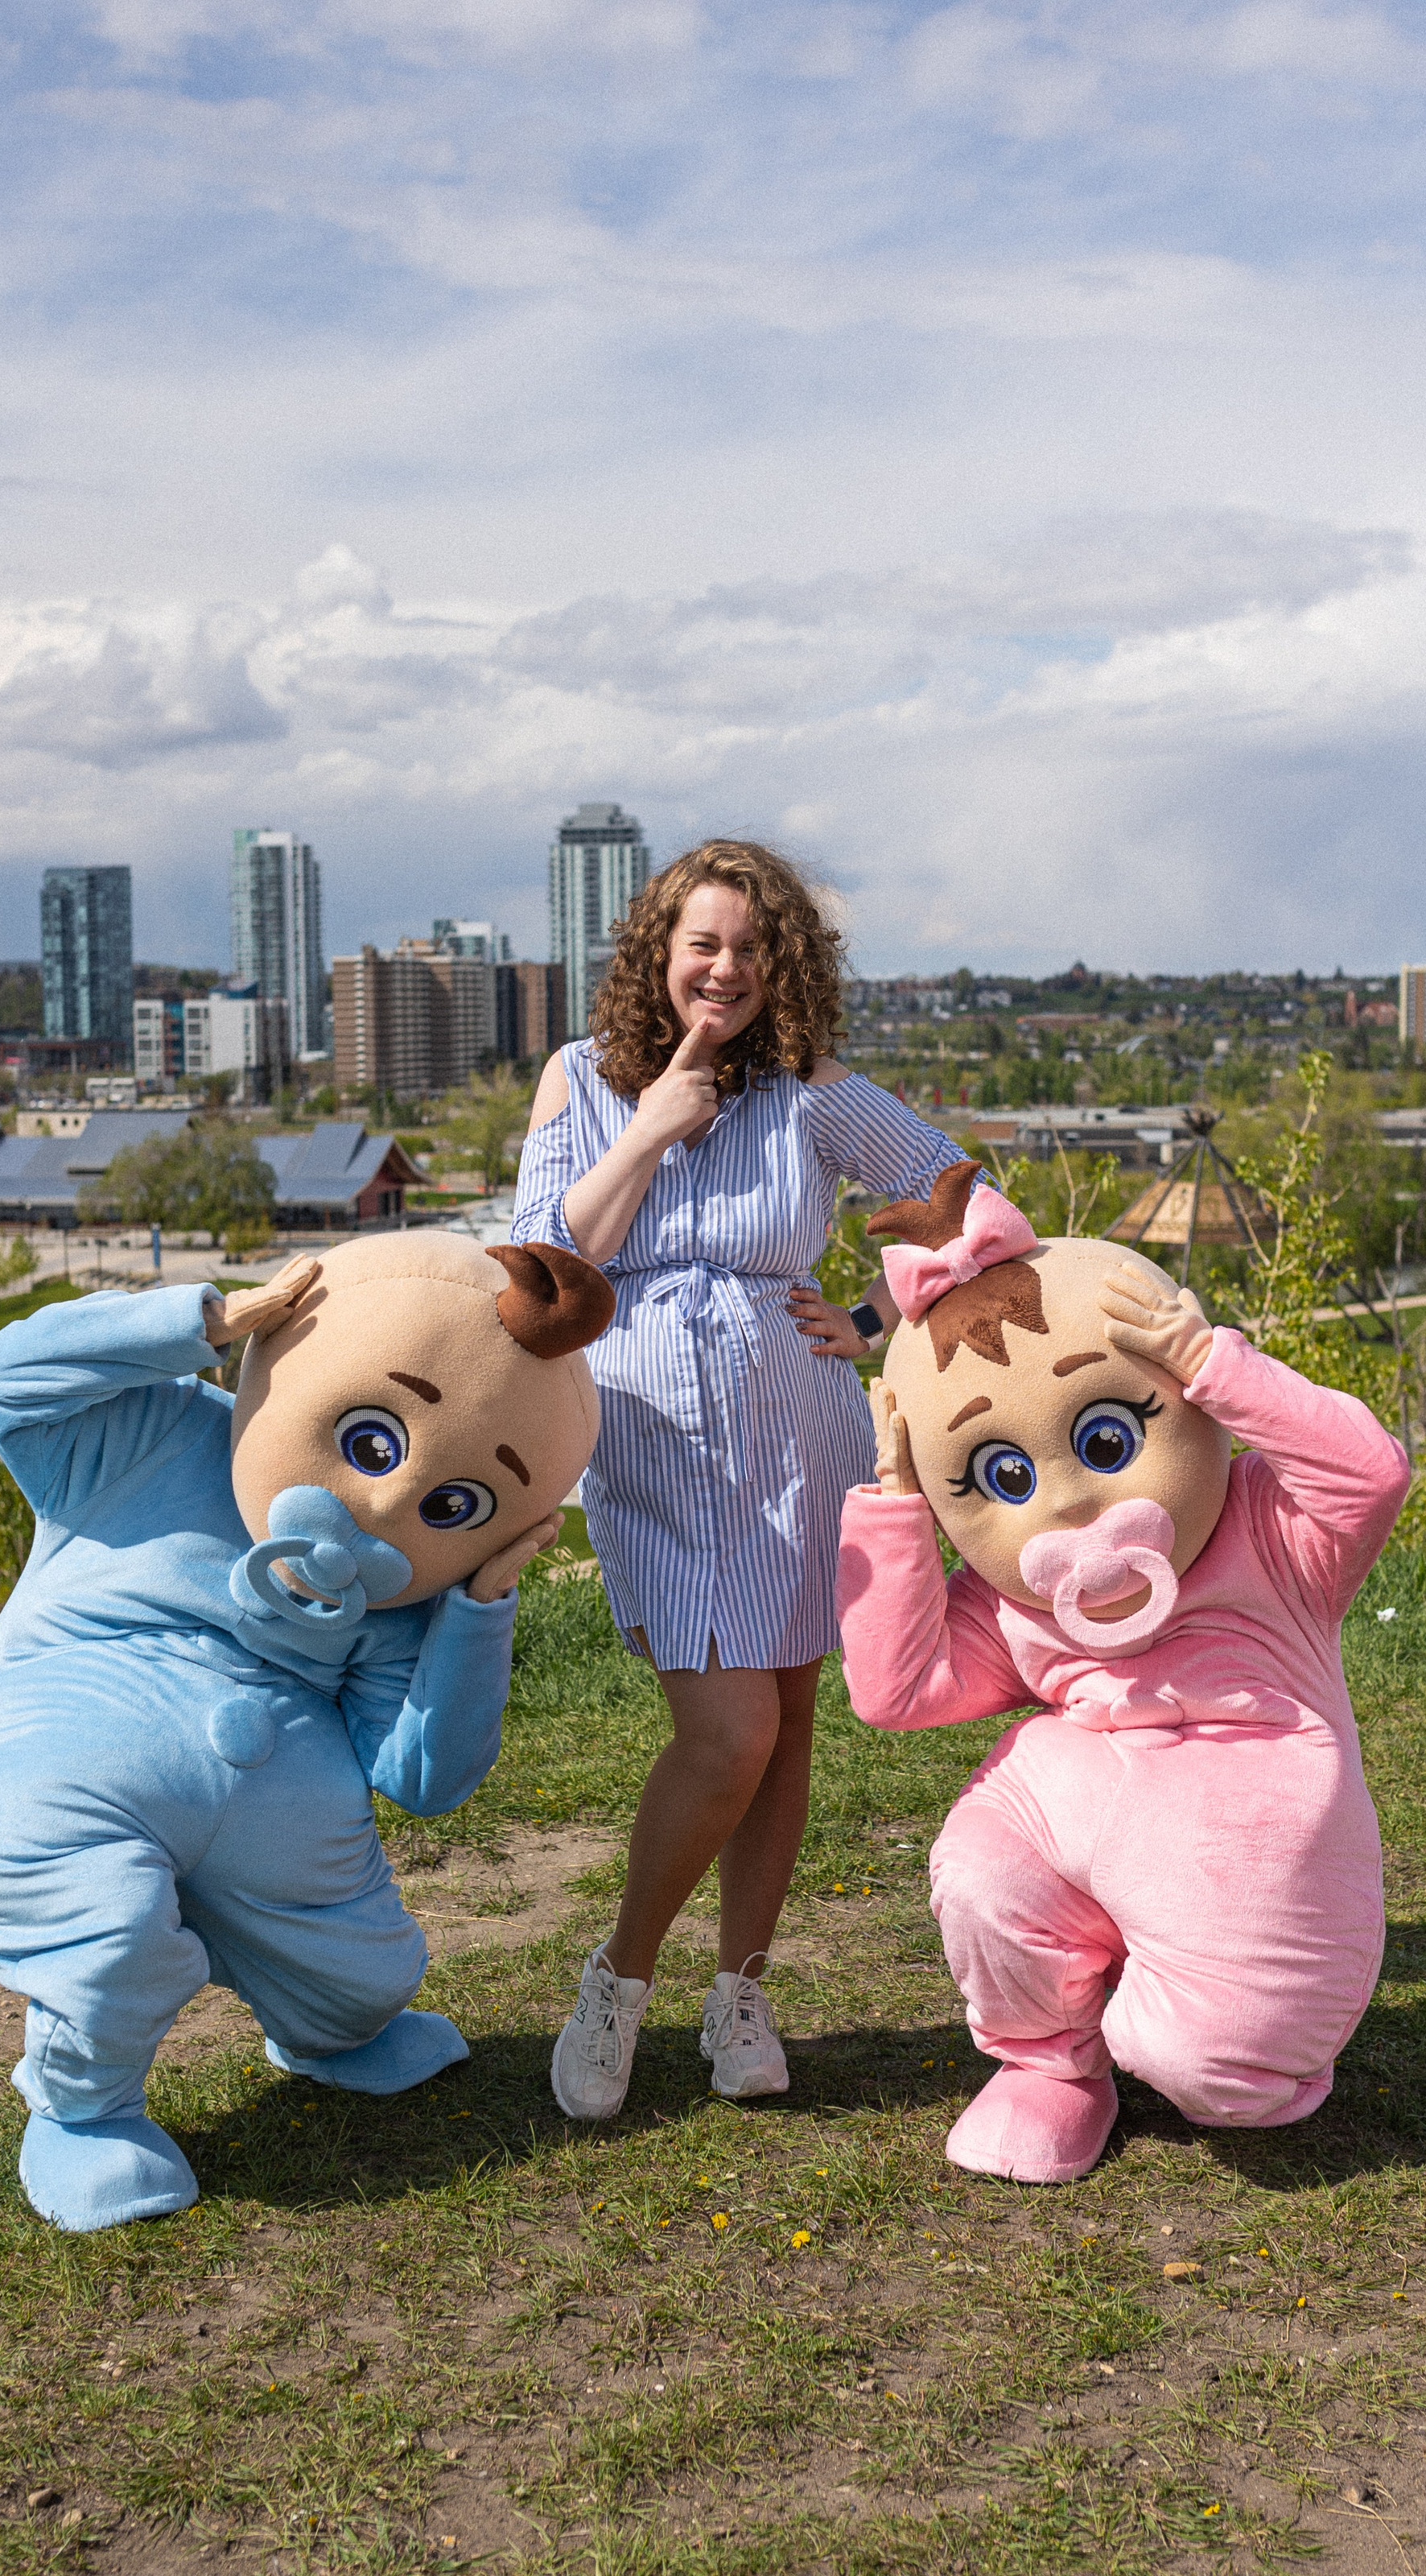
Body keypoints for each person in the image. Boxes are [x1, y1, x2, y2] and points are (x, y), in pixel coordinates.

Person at [511, 839, 962, 2119]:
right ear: (660, 950)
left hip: (796, 1435)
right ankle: (619, 1979)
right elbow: (541, 1264)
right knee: (730, 1734)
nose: (726, 968)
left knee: (789, 1720)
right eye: (703, 942)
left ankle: (742, 1993)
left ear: (785, 964)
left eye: (753, 948)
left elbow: (951, 1190)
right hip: (652, 1440)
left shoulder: (807, 1089)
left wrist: (871, 1317)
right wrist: (654, 1126)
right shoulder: (581, 1080)